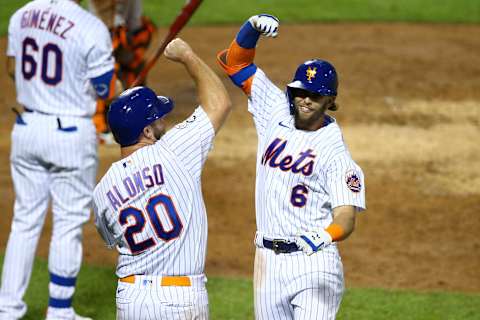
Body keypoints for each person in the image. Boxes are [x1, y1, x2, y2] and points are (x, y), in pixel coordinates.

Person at [217, 14, 366, 319]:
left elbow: (345, 218)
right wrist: (251, 28)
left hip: (314, 263)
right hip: (267, 263)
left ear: (330, 100)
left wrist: (323, 237)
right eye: (301, 91)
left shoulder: (335, 153)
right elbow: (236, 63)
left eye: (315, 95)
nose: (306, 100)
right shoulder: (274, 110)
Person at [92, 38, 231, 319]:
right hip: (178, 299)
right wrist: (187, 55)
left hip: (129, 298)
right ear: (146, 131)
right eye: (158, 118)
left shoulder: (101, 190)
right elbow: (219, 102)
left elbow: (111, 239)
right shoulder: (175, 150)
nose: (164, 121)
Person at [0, 0, 118, 319]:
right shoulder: (90, 26)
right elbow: (105, 87)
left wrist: (43, 91)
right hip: (70, 134)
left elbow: (12, 69)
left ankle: (7, 309)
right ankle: (60, 311)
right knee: (67, 223)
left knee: (24, 221)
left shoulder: (21, 15)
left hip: (26, 127)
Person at [88, 0, 157, 144]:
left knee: (134, 50)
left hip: (129, 7)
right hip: (105, 14)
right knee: (106, 57)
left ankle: (138, 116)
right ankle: (99, 123)